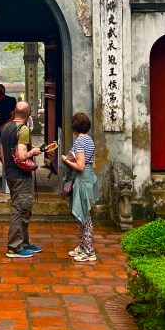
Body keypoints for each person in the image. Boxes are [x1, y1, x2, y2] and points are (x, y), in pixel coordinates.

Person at [0, 101, 44, 258]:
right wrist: (34, 152)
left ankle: (25, 242)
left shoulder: (6, 128)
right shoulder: (23, 129)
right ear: (28, 114)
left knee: (24, 209)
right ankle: (14, 247)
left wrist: (6, 170)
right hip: (20, 176)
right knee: (19, 210)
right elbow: (21, 155)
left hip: (11, 174)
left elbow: (4, 154)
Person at [60, 112, 97, 263]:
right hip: (89, 177)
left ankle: (88, 251)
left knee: (85, 217)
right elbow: (92, 164)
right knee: (84, 215)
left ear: (74, 126)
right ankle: (82, 247)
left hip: (82, 179)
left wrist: (65, 160)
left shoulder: (80, 142)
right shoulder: (90, 140)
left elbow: (80, 166)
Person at [0, 83, 17, 158]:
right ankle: (5, 165)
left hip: (8, 127)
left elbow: (13, 115)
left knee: (9, 148)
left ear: (1, 92)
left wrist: (4, 125)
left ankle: (9, 166)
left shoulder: (10, 100)